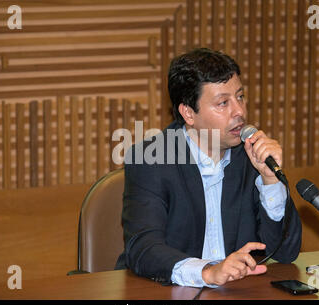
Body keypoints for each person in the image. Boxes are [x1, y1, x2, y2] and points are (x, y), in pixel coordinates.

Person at [115, 48, 302, 287]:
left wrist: (270, 181)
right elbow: (143, 249)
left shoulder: (251, 155)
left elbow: (286, 252)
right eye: (223, 103)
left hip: (237, 292)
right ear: (188, 113)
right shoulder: (151, 159)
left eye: (240, 97)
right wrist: (207, 272)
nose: (239, 112)